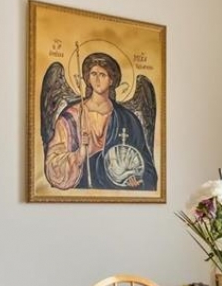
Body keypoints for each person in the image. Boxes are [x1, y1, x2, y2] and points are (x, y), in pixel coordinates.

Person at [44, 53, 158, 191]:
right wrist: (80, 155)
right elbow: (52, 166)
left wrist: (137, 180)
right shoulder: (70, 117)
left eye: (103, 75)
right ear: (88, 78)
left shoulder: (127, 119)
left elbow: (147, 168)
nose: (97, 79)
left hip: (116, 192)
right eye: (93, 74)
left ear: (111, 80)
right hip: (81, 190)